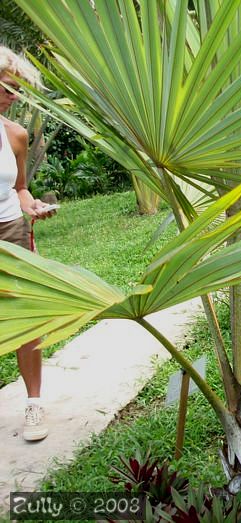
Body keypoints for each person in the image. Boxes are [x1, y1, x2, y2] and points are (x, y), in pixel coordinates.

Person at [0, 46, 57, 441]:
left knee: (25, 318)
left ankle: (34, 404)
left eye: (17, 90)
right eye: (8, 88)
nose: (14, 97)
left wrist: (32, 205)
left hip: (9, 230)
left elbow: (19, 187)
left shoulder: (14, 135)